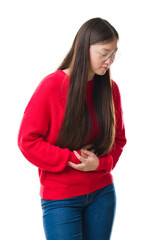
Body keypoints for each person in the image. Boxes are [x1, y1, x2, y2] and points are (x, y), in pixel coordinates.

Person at [18, 17, 127, 240]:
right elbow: (27, 141)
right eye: (104, 53)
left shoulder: (110, 89)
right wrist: (71, 158)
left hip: (102, 194)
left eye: (113, 54)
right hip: (61, 198)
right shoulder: (52, 85)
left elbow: (119, 140)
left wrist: (101, 164)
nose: (109, 61)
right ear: (83, 47)